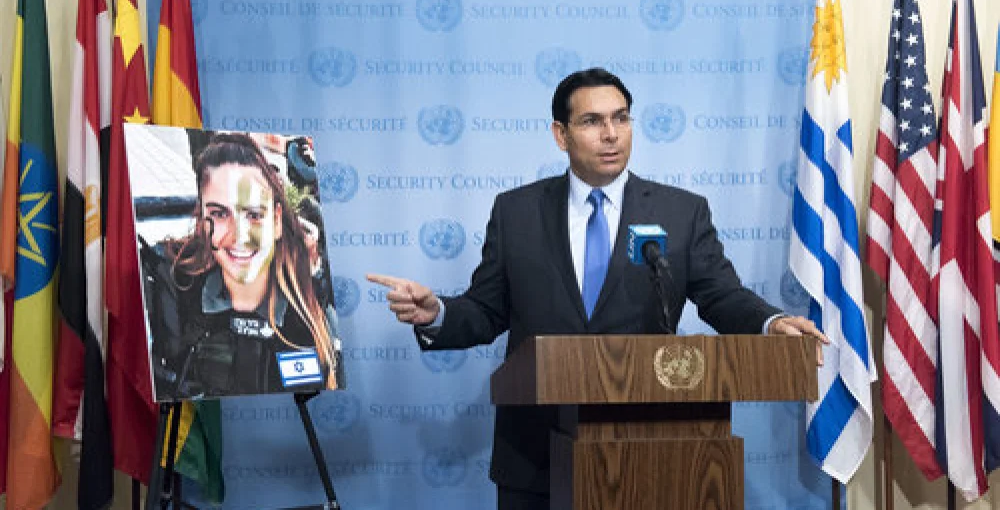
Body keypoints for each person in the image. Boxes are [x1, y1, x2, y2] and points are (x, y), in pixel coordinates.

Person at [367, 67, 826, 510]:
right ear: (560, 135)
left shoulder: (681, 212)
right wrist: (438, 314)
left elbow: (722, 295)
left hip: (651, 451)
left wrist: (772, 321)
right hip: (534, 456)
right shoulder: (516, 213)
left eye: (621, 117)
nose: (611, 134)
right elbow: (486, 311)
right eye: (592, 121)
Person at [145, 132, 342, 400]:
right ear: (203, 222)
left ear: (275, 220)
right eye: (219, 213)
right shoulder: (176, 287)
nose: (239, 234)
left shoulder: (310, 296)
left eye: (253, 214)